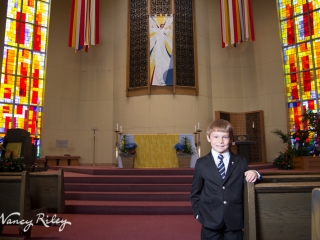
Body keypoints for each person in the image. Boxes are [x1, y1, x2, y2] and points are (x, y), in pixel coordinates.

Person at [190, 119, 261, 240]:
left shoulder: (240, 161)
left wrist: (255, 173)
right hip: (210, 220)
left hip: (234, 220)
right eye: (216, 136)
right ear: (208, 138)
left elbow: (246, 183)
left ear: (231, 139)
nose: (220, 141)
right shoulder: (201, 163)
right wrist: (198, 214)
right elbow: (195, 193)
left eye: (225, 137)